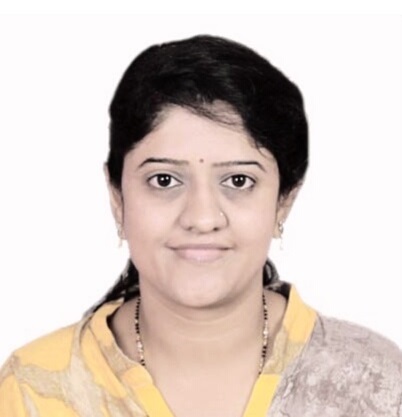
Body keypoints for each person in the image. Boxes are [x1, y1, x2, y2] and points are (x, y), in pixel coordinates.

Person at [0, 34, 401, 417]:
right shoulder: (33, 390)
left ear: (284, 202)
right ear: (117, 198)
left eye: (239, 181)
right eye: (164, 180)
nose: (202, 218)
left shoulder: (374, 383)